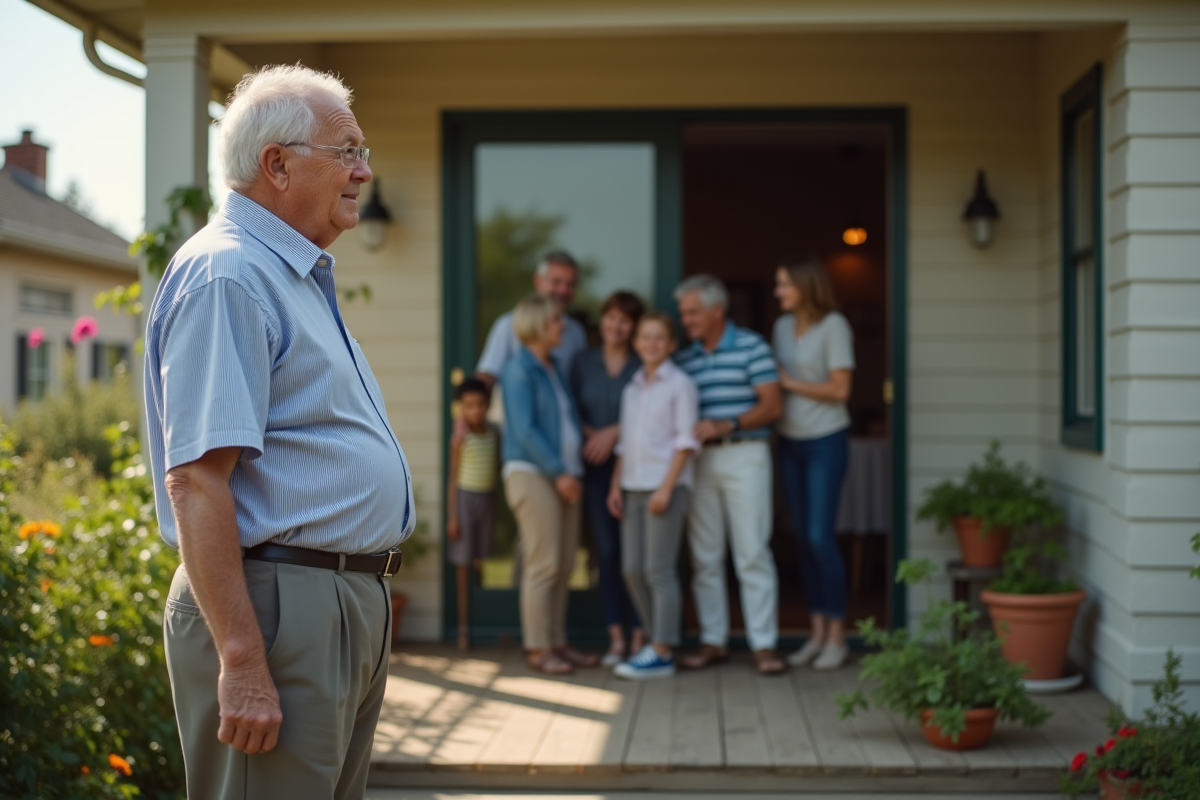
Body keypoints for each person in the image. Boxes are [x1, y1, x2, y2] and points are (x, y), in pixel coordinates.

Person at [143, 65, 415, 799]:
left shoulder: (286, 274)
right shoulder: (229, 275)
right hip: (277, 604)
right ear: (277, 164)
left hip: (330, 600)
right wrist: (242, 657)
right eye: (348, 151)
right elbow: (197, 479)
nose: (364, 170)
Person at [674, 274, 785, 676]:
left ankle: (764, 644)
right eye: (683, 313)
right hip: (700, 462)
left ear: (717, 310)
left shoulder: (752, 346)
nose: (686, 320)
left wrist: (729, 423)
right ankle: (713, 641)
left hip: (745, 455)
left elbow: (773, 406)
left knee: (752, 552)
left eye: (693, 312)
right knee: (704, 556)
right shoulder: (684, 359)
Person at [501, 294, 597, 675]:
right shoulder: (518, 369)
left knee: (563, 564)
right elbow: (524, 430)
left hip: (563, 475)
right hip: (535, 474)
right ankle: (539, 648)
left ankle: (557, 641)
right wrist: (559, 472)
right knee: (544, 564)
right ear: (539, 324)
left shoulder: (552, 366)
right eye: (557, 321)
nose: (564, 327)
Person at [772, 256, 856, 671]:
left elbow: (841, 389)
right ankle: (817, 632)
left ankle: (838, 637)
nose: (778, 292)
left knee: (822, 538)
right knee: (803, 538)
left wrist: (791, 383)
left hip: (826, 441)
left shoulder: (834, 326)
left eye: (784, 285)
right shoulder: (782, 328)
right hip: (790, 442)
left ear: (805, 286)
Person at [607, 312, 699, 680]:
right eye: (645, 337)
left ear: (671, 344)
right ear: (636, 342)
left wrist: (665, 487)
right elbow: (624, 444)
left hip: (667, 488)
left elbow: (686, 441)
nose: (651, 343)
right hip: (633, 487)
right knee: (632, 569)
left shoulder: (680, 385)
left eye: (659, 338)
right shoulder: (631, 389)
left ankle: (662, 650)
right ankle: (655, 641)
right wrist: (616, 485)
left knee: (658, 570)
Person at [569, 291, 645, 667]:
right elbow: (568, 408)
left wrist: (612, 432)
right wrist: (592, 436)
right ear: (603, 320)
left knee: (638, 556)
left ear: (634, 327)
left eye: (625, 321)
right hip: (595, 470)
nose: (617, 326)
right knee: (608, 554)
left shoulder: (641, 363)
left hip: (636, 469)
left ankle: (643, 635)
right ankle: (617, 637)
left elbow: (647, 412)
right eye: (612, 318)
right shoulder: (583, 362)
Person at [475, 250, 588, 387]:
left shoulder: (576, 331)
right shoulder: (509, 324)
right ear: (538, 281)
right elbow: (488, 374)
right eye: (556, 282)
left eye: (571, 284)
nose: (563, 290)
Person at [446, 378, 500, 652]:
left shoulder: (494, 433)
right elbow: (453, 479)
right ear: (461, 408)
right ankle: (464, 628)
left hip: (487, 499)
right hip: (466, 501)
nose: (476, 411)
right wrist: (453, 517)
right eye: (469, 406)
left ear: (487, 405)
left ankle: (484, 619)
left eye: (480, 405)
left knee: (482, 559)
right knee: (463, 562)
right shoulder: (460, 438)